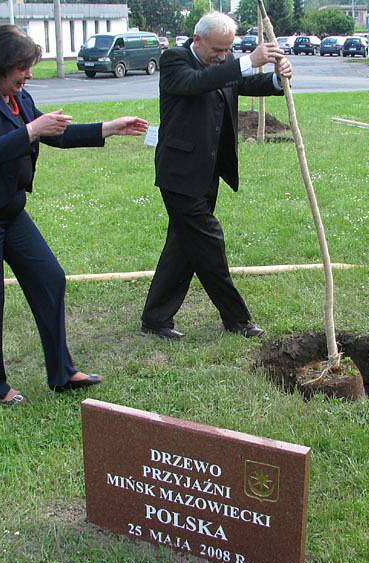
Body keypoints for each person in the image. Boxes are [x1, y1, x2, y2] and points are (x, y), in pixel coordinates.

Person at [0, 25, 148, 405]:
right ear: (0, 65)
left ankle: (62, 372)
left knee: (49, 278)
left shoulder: (19, 99)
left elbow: (58, 135)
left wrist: (109, 128)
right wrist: (31, 130)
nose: (29, 75)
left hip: (8, 209)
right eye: (23, 67)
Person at [140, 11, 293, 340]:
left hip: (209, 173)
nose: (223, 57)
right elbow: (196, 84)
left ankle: (155, 317)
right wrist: (247, 60)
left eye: (228, 51)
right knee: (209, 243)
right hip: (179, 176)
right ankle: (236, 319)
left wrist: (278, 79)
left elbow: (245, 81)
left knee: (183, 246)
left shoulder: (222, 66)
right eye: (217, 50)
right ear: (197, 40)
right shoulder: (174, 61)